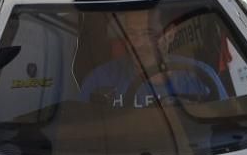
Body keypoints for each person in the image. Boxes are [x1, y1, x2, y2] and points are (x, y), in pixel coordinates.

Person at [79, 12, 227, 108]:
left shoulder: (200, 76)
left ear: (170, 34)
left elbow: (224, 127)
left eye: (147, 34)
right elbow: (84, 135)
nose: (136, 43)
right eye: (131, 33)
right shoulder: (99, 81)